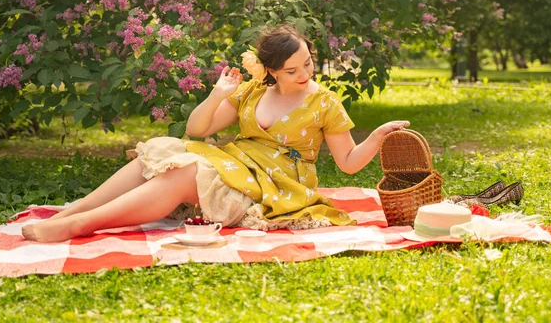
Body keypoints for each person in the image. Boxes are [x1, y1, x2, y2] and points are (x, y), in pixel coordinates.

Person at [22, 25, 409, 243]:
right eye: (292, 70)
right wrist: (217, 94)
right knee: (165, 151)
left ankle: (77, 226)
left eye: (307, 63)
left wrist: (375, 137)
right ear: (271, 70)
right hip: (234, 164)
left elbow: (347, 164)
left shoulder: (325, 103)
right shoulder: (252, 90)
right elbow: (197, 130)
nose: (304, 74)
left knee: (185, 171)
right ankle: (72, 212)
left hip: (275, 188)